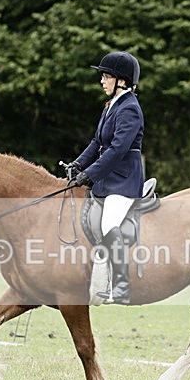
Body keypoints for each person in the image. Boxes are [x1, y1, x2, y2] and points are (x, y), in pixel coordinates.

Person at [70, 51, 145, 304]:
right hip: (108, 179)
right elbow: (96, 142)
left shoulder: (130, 109)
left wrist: (89, 174)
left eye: (106, 77)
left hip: (123, 181)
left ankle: (122, 287)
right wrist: (78, 164)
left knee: (108, 223)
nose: (102, 81)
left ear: (121, 81)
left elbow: (117, 150)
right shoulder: (111, 106)